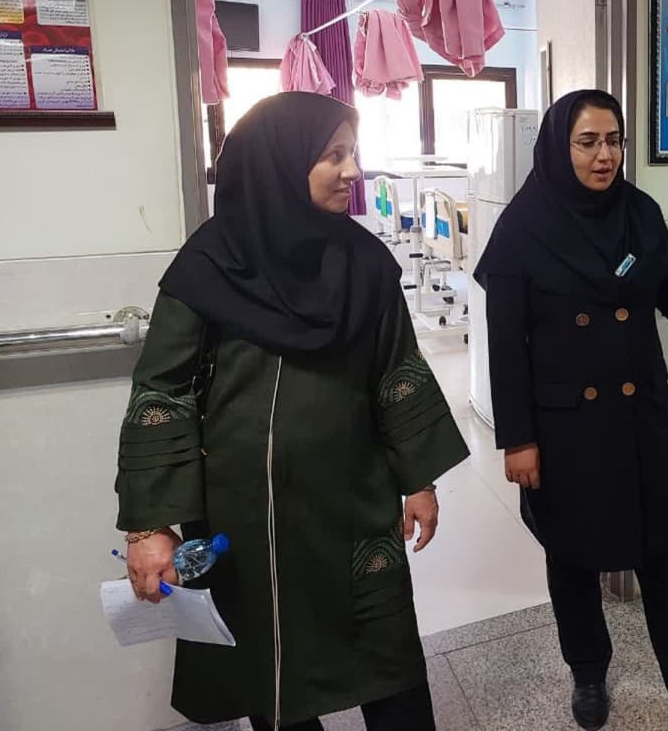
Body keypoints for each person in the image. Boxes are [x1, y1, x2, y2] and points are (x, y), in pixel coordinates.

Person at [114, 92, 469, 731]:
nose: (353, 171)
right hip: (250, 520)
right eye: (333, 155)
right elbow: (162, 394)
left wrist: (419, 478)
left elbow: (397, 370)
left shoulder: (365, 263)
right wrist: (150, 525)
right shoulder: (208, 267)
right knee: (272, 677)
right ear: (279, 161)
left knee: (389, 667)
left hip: (355, 508)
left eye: (352, 153)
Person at [474, 89, 668, 731]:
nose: (605, 156)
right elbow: (506, 344)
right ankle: (588, 672)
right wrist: (518, 439)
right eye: (588, 142)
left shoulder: (640, 212)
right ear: (559, 147)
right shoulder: (523, 225)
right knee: (572, 555)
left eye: (614, 140)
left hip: (639, 413)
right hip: (564, 423)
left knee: (666, 552)